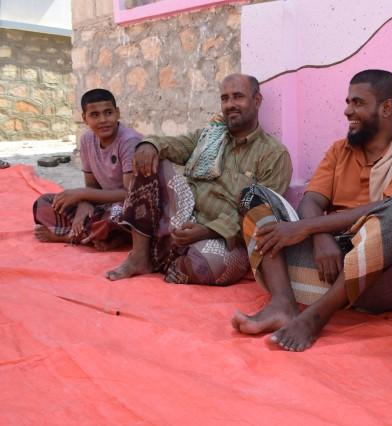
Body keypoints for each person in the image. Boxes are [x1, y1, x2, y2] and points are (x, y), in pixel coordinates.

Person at [232, 69, 392, 351]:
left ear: (386, 108)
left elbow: (388, 209)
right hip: (325, 265)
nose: (347, 110)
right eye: (348, 102)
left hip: (379, 278)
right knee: (251, 195)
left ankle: (315, 317)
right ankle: (282, 302)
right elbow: (311, 202)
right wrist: (321, 238)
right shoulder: (339, 150)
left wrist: (307, 227)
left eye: (358, 103)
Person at [105, 73, 292, 286]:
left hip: (223, 237)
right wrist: (149, 144)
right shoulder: (210, 135)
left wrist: (207, 230)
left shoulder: (273, 155)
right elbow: (174, 145)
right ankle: (140, 256)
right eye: (225, 98)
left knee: (206, 264)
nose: (230, 104)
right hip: (182, 217)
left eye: (238, 96)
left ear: (256, 100)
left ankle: (170, 256)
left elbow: (259, 216)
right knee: (148, 158)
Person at [33, 89, 142, 250]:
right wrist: (84, 204)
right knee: (45, 203)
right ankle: (99, 236)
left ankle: (67, 236)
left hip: (130, 205)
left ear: (117, 113)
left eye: (108, 112)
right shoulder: (86, 140)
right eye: (95, 115)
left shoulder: (129, 141)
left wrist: (82, 194)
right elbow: (92, 187)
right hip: (102, 203)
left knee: (114, 216)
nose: (103, 120)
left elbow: (130, 194)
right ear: (85, 118)